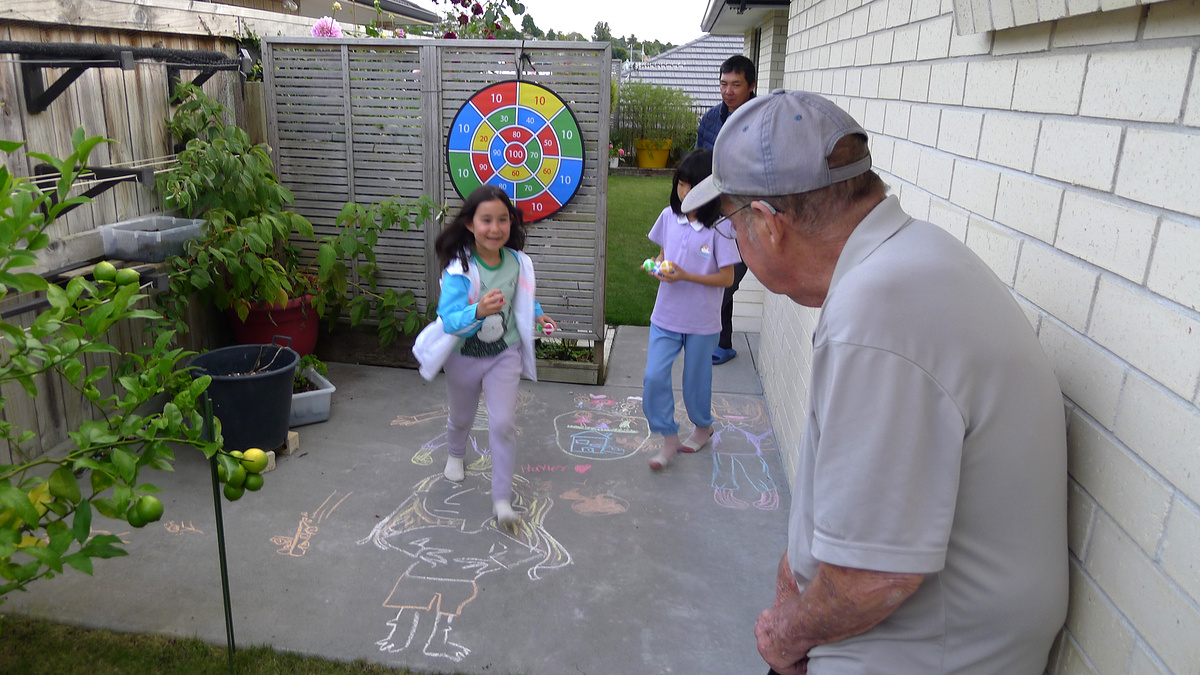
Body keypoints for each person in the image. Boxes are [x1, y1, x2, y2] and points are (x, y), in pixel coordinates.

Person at [681, 90, 1068, 674]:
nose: (737, 245)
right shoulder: (908, 262)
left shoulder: (879, 314)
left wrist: (784, 636)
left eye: (734, 228)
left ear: (768, 224)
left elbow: (873, 577)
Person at [412, 185, 555, 527]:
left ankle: (502, 501)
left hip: (504, 354)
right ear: (470, 225)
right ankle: (456, 454)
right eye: (486, 220)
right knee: (462, 417)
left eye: (503, 220)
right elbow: (449, 319)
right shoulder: (460, 268)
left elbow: (523, 296)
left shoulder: (519, 262)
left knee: (503, 424)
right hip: (463, 356)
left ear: (512, 224)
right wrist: (478, 310)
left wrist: (537, 314)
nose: (495, 228)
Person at [642, 149, 742, 470]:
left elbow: (726, 277)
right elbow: (662, 255)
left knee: (695, 383)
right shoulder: (668, 217)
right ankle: (669, 436)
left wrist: (685, 275)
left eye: (691, 186)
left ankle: (703, 426)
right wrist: (657, 267)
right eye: (680, 184)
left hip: (702, 322)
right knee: (654, 377)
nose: (684, 193)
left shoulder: (723, 229)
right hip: (666, 316)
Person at [696, 54, 757, 365]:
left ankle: (709, 338)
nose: (728, 91)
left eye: (736, 84)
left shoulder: (762, 119)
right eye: (723, 84)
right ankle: (723, 342)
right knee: (721, 271)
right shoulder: (710, 119)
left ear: (751, 86)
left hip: (748, 215)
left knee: (725, 282)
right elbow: (697, 163)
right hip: (714, 213)